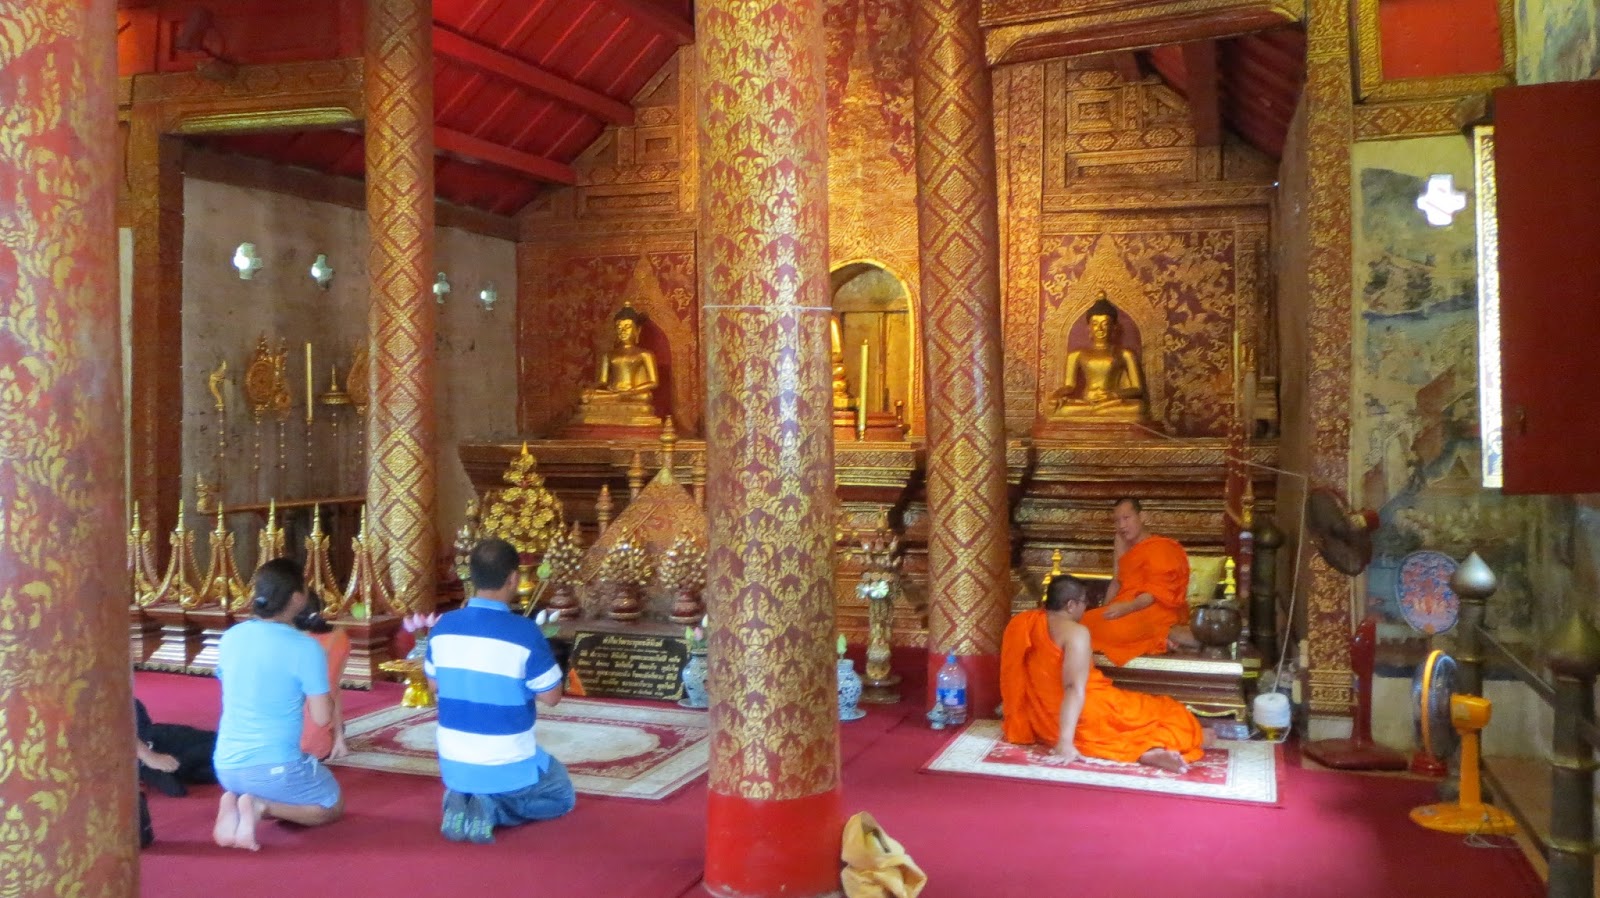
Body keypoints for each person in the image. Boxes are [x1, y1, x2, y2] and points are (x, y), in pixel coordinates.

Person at [425, 538, 575, 844]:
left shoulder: (442, 627)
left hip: (454, 763)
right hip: (507, 762)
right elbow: (552, 697)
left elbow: (434, 685)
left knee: (477, 773)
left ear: (471, 576)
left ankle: (461, 797)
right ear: (513, 578)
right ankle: (495, 809)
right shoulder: (524, 631)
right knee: (562, 795)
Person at [1001, 575, 1207, 773]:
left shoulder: (1024, 622)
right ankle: (1148, 749)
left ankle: (1147, 752)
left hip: (1043, 720)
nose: (1085, 608)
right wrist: (1065, 742)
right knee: (1172, 713)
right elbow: (1073, 687)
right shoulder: (1075, 633)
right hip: (1083, 715)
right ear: (1071, 605)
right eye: (1084, 602)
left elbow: (1016, 673)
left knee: (1138, 719)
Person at [211, 558, 344, 851]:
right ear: (297, 598)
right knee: (331, 804)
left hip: (225, 766)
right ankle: (260, 807)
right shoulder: (304, 646)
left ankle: (236, 800)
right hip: (274, 767)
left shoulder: (231, 637)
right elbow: (322, 717)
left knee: (283, 778)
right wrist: (325, 689)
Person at [1080, 498, 1196, 664]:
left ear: (1142, 517)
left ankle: (1163, 635)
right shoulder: (1122, 542)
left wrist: (1128, 607)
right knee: (1083, 623)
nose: (1122, 526)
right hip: (1128, 609)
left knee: (1111, 630)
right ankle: (1165, 638)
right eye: (1117, 521)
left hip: (1155, 610)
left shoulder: (1161, 547)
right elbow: (1117, 581)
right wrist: (1105, 611)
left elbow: (1155, 592)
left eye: (1126, 518)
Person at [1050, 294, 1150, 421]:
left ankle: (1096, 412)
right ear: (1089, 327)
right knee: (1057, 408)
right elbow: (1069, 385)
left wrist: (1113, 395)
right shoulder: (1077, 354)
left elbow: (1137, 389)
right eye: (1095, 324)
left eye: (1105, 324)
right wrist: (1056, 395)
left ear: (1114, 327)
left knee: (1138, 408)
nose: (1100, 328)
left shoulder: (1125, 354)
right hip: (1087, 402)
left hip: (1111, 403)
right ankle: (1096, 411)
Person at [575, 305, 662, 426]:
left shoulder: (644, 354)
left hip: (634, 395)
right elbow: (603, 381)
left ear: (637, 330)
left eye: (627, 327)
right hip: (613, 393)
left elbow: (653, 382)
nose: (623, 331)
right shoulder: (609, 354)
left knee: (645, 398)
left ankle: (620, 398)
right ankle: (615, 399)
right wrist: (591, 389)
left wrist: (632, 391)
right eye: (619, 328)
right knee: (585, 397)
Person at [293, 591, 351, 762]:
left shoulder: (289, 642)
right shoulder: (339, 637)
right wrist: (339, 737)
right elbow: (334, 689)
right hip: (322, 744)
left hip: (288, 747)